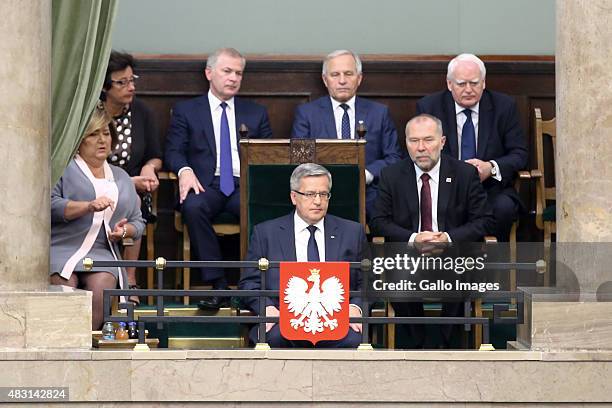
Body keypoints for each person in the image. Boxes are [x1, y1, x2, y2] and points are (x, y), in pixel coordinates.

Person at [369, 114, 493, 348]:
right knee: (397, 276)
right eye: (414, 141)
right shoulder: (392, 175)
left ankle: (447, 343)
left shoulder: (464, 174)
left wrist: (447, 238)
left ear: (443, 142)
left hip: (453, 254)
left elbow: (485, 220)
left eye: (428, 140)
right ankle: (418, 341)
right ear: (406, 143)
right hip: (408, 256)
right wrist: (413, 238)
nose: (421, 148)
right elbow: (377, 221)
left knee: (459, 272)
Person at [165, 48, 273, 310]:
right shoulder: (187, 110)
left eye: (238, 73)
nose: (234, 78)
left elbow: (269, 154)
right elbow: (173, 150)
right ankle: (219, 285)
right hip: (206, 183)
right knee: (193, 206)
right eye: (227, 71)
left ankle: (254, 286)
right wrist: (184, 171)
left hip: (242, 185)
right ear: (209, 73)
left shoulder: (255, 113)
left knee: (259, 210)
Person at [239, 163, 368, 348]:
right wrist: (267, 308)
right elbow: (249, 283)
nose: (317, 201)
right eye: (310, 194)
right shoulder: (266, 233)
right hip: (282, 320)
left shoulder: (352, 232)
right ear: (294, 197)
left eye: (323, 194)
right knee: (272, 339)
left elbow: (368, 280)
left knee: (354, 341)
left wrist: (355, 307)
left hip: (335, 321)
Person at [50, 104, 145, 330]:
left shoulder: (122, 178)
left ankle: (87, 349)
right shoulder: (63, 169)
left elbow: (138, 222)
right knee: (65, 287)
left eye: (106, 133)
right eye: (93, 134)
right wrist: (87, 206)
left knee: (102, 286)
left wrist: (124, 231)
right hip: (62, 248)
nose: (102, 140)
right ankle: (63, 350)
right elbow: (50, 206)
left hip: (103, 252)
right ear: (80, 141)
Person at [416, 53, 527, 241]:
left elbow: (520, 153)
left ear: (483, 83)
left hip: (489, 189)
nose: (468, 89)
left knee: (505, 208)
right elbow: (422, 152)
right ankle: (449, 262)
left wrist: (490, 167)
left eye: (474, 83)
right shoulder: (430, 106)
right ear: (449, 84)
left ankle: (492, 263)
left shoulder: (504, 106)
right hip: (445, 186)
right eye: (461, 84)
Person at [291, 50, 401, 217]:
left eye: (348, 74)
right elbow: (300, 159)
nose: (342, 81)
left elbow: (393, 157)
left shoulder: (379, 113)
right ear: (325, 80)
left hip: (368, 193)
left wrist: (367, 174)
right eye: (335, 74)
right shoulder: (307, 113)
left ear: (359, 78)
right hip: (321, 194)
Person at [101, 51, 163, 303]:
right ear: (105, 87)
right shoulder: (91, 113)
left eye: (132, 80)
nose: (131, 87)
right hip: (94, 185)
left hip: (134, 189)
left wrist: (149, 168)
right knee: (130, 195)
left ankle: (129, 278)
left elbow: (155, 155)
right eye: (122, 82)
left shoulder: (142, 112)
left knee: (133, 200)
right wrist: (126, 181)